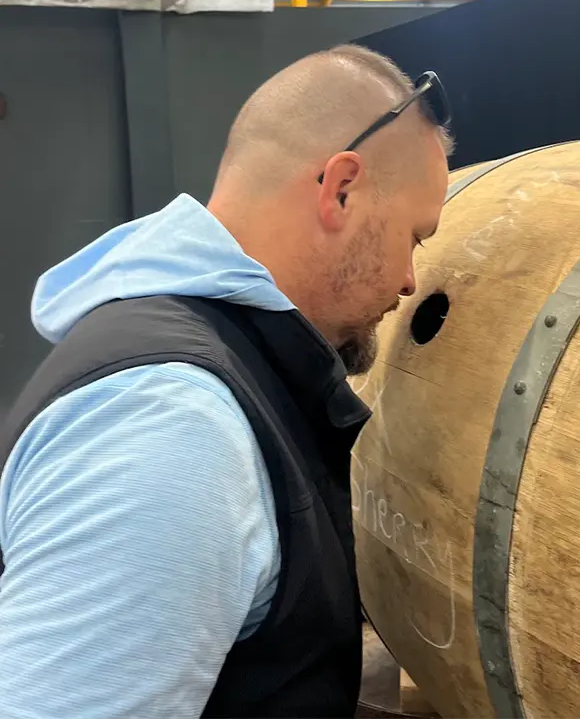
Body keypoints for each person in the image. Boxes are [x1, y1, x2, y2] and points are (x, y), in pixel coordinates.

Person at [0, 44, 453, 719]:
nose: (412, 280)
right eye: (414, 237)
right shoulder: (173, 427)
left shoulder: (203, 354)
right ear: (342, 189)